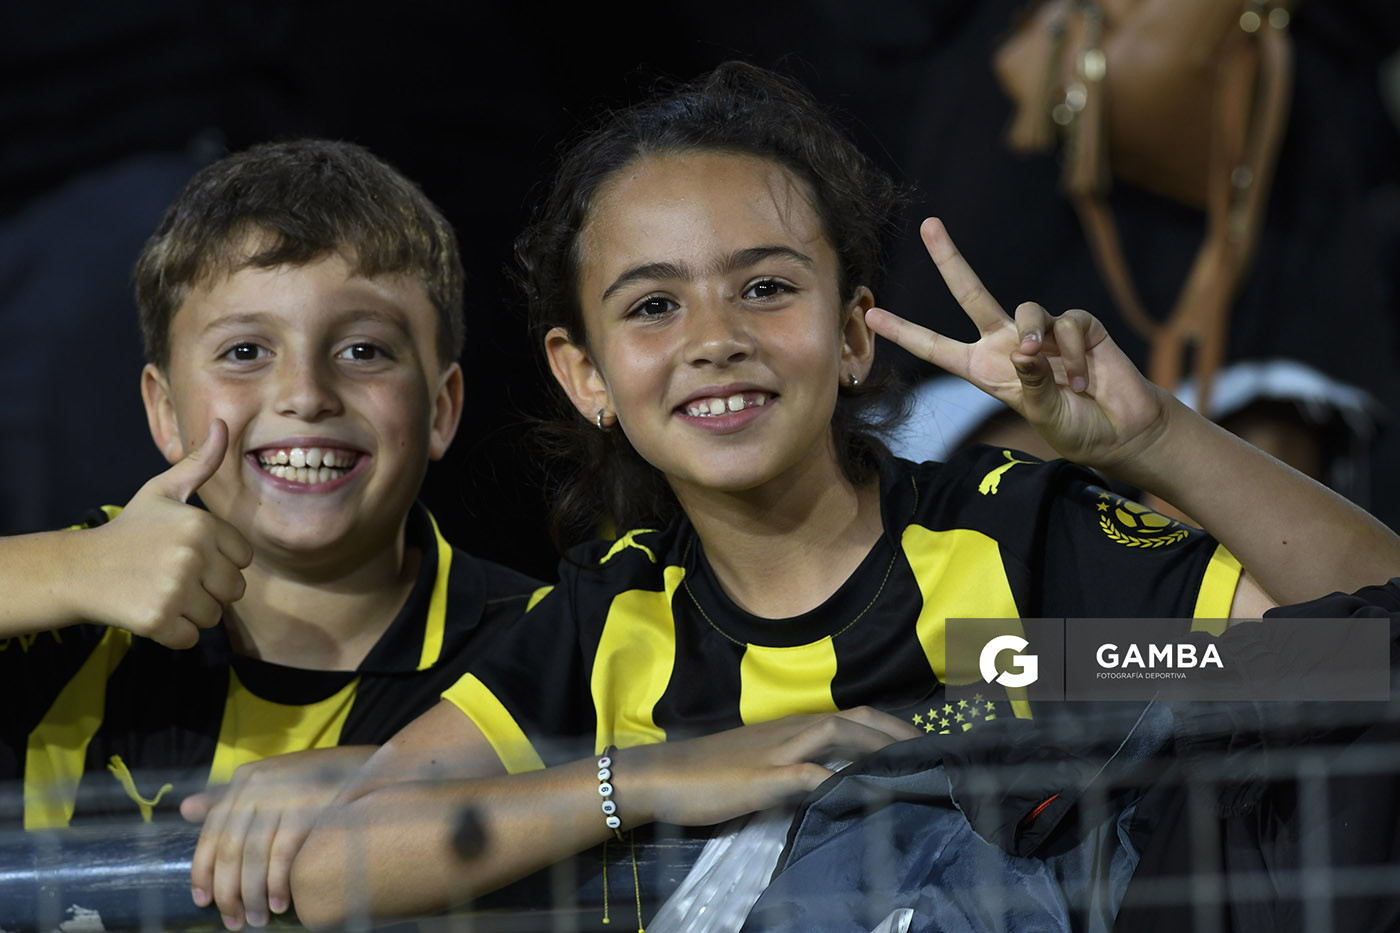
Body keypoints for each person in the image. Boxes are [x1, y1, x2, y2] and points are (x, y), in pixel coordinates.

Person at [289, 62, 1400, 928]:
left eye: (766, 287)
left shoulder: (1006, 552)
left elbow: (1358, 646)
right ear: (587, 377)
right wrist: (660, 778)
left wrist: (1152, 439)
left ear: (855, 334)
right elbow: (337, 866)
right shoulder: (609, 623)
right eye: (652, 306)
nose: (716, 339)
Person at [0, 140, 544, 931]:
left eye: (363, 350)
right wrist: (65, 568)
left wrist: (401, 778)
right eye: (246, 351)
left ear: (442, 408)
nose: (305, 393)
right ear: (164, 411)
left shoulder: (547, 642)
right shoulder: (73, 605)